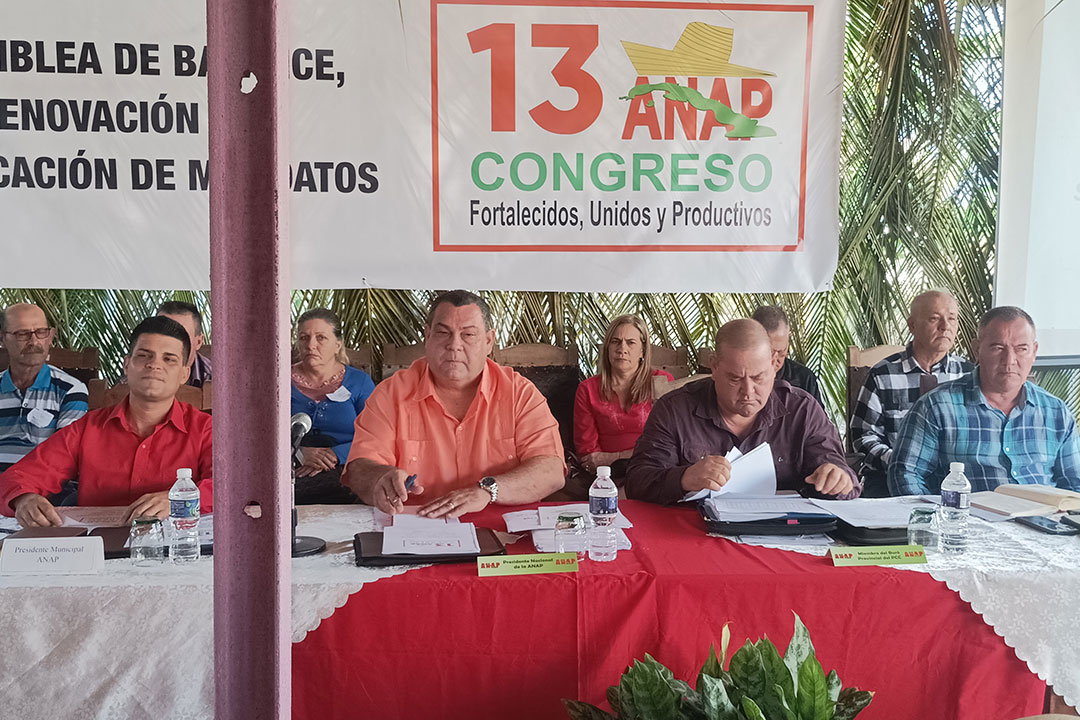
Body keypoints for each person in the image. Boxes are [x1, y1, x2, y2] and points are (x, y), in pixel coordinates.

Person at [343, 290, 565, 517]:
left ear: (488, 341)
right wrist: (380, 478)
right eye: (442, 333)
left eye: (468, 335)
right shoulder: (391, 394)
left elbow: (551, 470)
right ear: (427, 336)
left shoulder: (520, 394)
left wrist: (488, 490)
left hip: (504, 530)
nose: (454, 345)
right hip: (417, 528)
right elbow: (359, 468)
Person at [0, 316, 214, 527]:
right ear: (126, 365)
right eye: (143, 355)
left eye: (169, 359)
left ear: (184, 373)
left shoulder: (205, 429)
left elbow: (228, 487)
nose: (154, 365)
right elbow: (19, 476)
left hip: (176, 550)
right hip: (96, 552)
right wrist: (24, 498)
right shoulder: (88, 429)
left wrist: (179, 500)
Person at [625, 319, 860, 504]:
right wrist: (685, 478)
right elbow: (638, 482)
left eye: (758, 378)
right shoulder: (675, 410)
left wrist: (839, 480)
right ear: (714, 367)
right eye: (735, 379)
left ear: (774, 365)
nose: (748, 391)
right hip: (695, 537)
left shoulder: (802, 411)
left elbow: (842, 477)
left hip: (786, 539)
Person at [889, 306, 1080, 495]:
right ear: (977, 349)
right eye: (998, 348)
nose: (1010, 360)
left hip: (1044, 522)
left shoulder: (1056, 412)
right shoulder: (936, 407)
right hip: (968, 522)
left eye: (1022, 349)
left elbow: (1074, 484)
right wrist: (938, 520)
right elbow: (905, 474)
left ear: (1034, 351)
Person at [851, 290, 973, 496]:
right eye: (935, 319)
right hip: (889, 478)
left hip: (956, 482)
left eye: (952, 318)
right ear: (912, 325)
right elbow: (863, 438)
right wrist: (902, 463)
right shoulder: (883, 374)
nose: (945, 326)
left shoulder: (968, 375)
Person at [290, 308, 375, 503]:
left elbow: (376, 436)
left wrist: (335, 455)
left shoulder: (360, 383)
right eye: (304, 338)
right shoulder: (279, 382)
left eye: (321, 338)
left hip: (348, 470)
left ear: (337, 344)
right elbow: (262, 434)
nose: (311, 345)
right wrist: (300, 453)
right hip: (290, 472)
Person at [573, 314, 673, 478]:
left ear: (643, 350)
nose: (622, 349)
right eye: (615, 341)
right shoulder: (587, 389)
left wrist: (616, 457)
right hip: (604, 476)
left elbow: (667, 445)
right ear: (608, 349)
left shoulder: (662, 382)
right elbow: (588, 454)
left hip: (653, 471)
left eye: (631, 343)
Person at [0, 303, 88, 472]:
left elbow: (64, 456)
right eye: (22, 334)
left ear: (51, 336)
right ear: (3, 339)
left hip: (40, 488)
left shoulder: (70, 389)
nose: (34, 341)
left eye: (41, 332)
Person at [750, 306, 824, 406]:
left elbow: (819, 420)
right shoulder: (738, 376)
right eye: (769, 353)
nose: (775, 361)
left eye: (781, 353)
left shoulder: (803, 379)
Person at [157, 300, 212, 387]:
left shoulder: (216, 378)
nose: (170, 342)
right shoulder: (136, 370)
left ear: (199, 342)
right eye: (163, 333)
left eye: (181, 335)